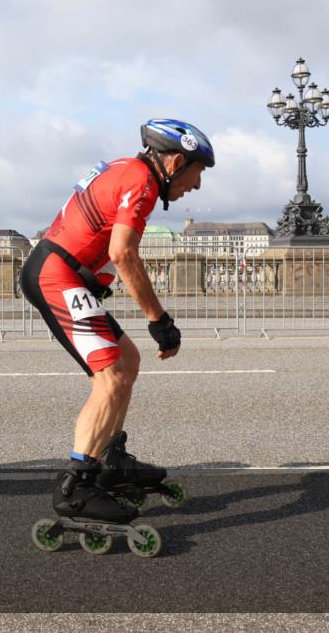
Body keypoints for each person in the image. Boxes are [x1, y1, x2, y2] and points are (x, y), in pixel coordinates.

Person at [21, 119, 214, 523]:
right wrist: (159, 320)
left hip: (67, 275)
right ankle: (76, 487)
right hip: (58, 276)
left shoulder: (128, 169)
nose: (195, 186)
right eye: (196, 173)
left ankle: (112, 458)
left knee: (127, 362)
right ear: (176, 161)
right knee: (111, 378)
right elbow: (123, 253)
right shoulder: (142, 182)